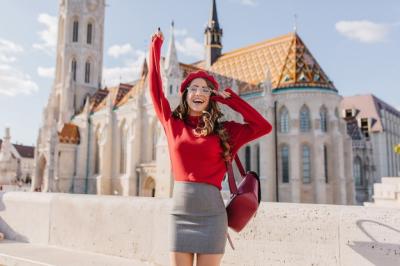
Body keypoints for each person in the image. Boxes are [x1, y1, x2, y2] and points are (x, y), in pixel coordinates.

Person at [149, 29, 272, 266]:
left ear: (210, 97)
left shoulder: (225, 131)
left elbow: (263, 126)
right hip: (180, 217)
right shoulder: (173, 124)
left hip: (213, 218)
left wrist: (229, 98)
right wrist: (155, 48)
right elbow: (155, 90)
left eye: (205, 89)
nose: (199, 92)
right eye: (193, 88)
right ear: (185, 95)